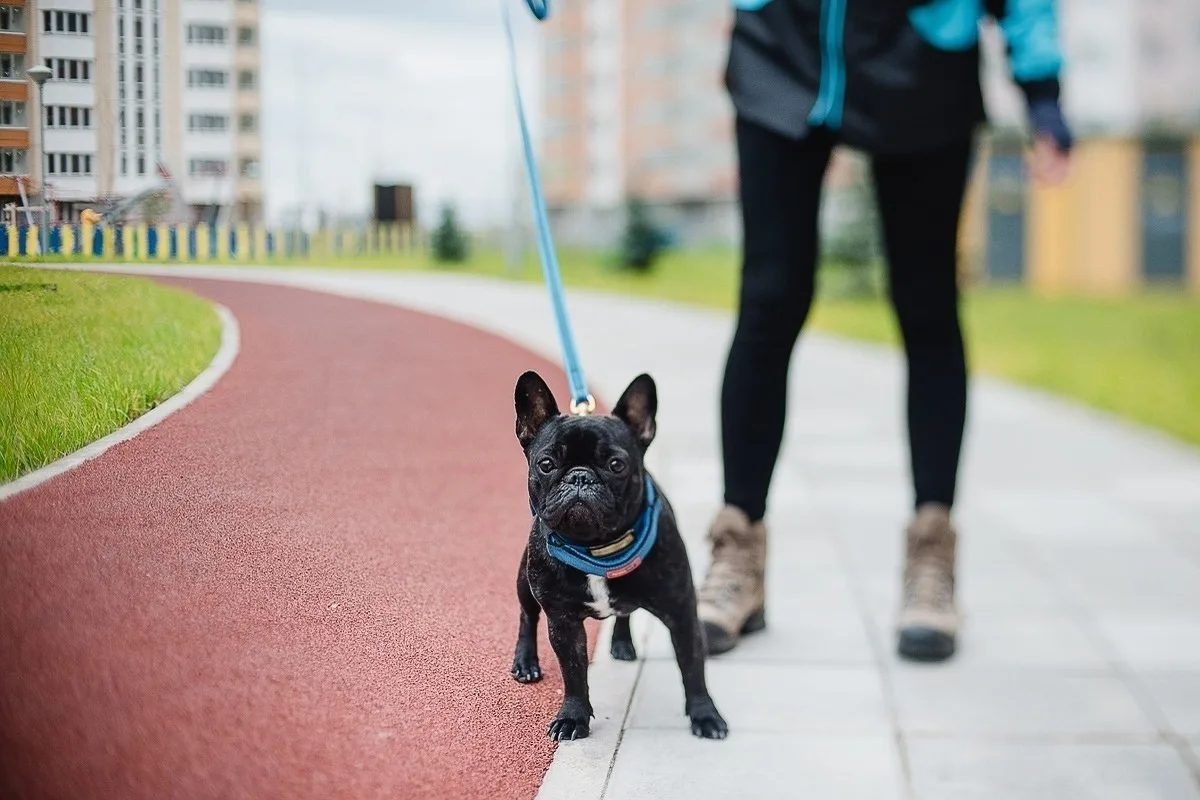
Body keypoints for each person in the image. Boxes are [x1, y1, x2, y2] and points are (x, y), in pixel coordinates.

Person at [697, 0, 1073, 662]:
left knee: (926, 305)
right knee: (769, 298)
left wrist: (1040, 88)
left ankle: (932, 556)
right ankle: (738, 552)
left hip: (922, 55)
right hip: (782, 44)